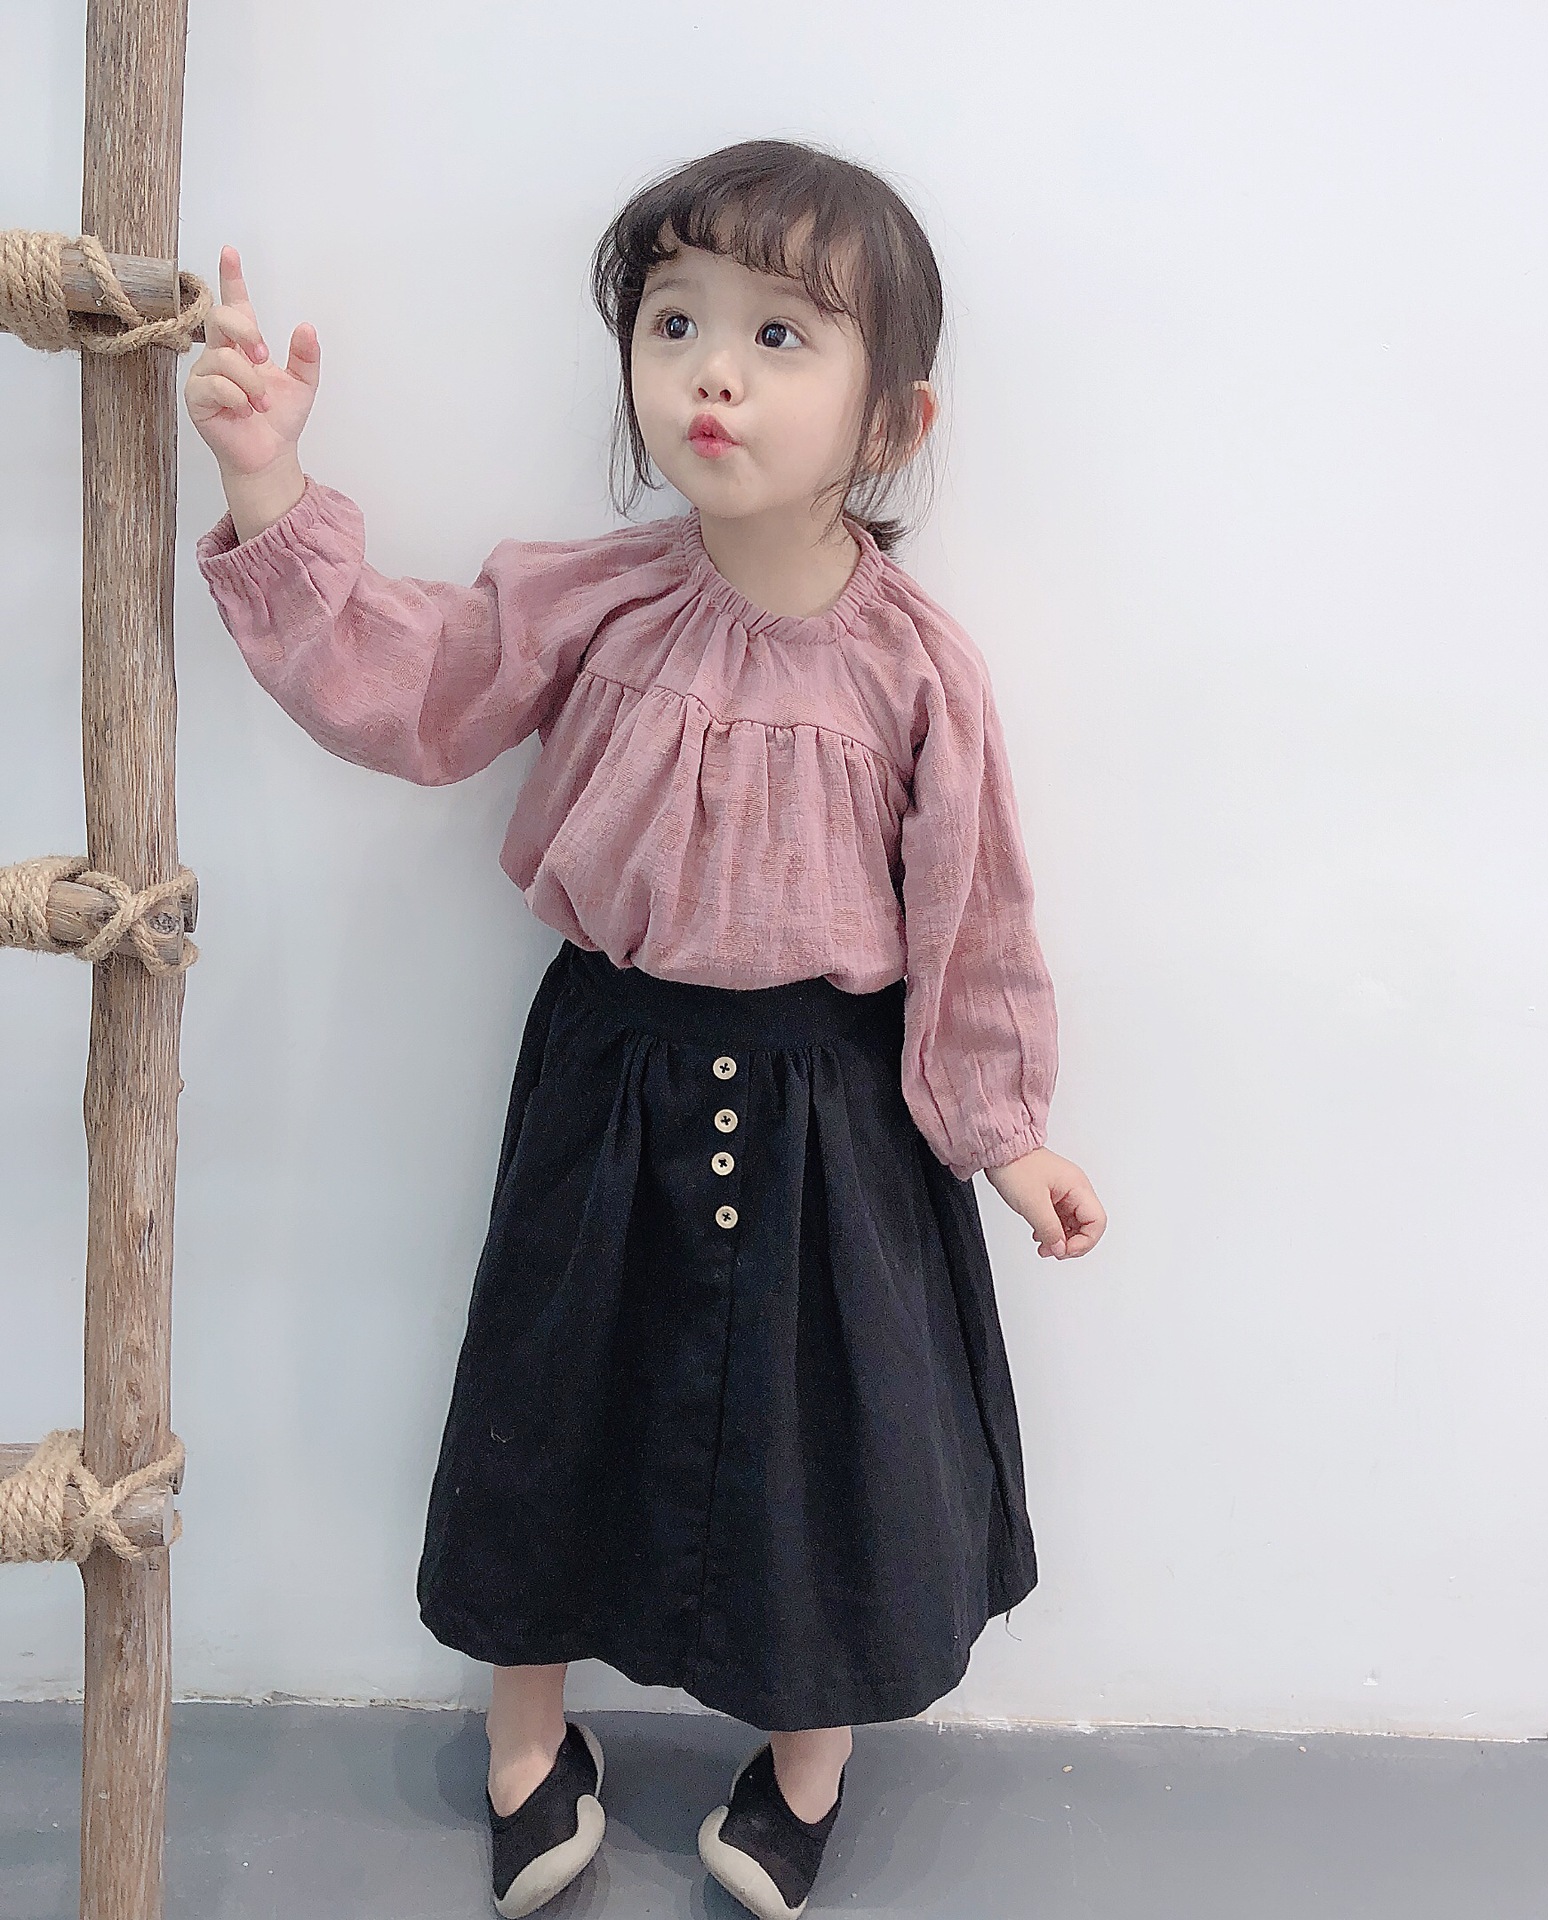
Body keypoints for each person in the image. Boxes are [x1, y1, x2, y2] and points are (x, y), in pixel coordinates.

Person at [184, 138, 1106, 1920]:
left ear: (894, 420)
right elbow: (412, 684)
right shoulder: (592, 603)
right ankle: (531, 1738)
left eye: (779, 336)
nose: (711, 374)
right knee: (556, 1393)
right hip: (608, 1077)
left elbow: (974, 912)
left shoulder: (917, 666)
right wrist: (269, 479)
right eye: (675, 322)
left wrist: (1007, 1136)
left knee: (823, 1431)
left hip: (841, 1107)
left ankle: (808, 1752)